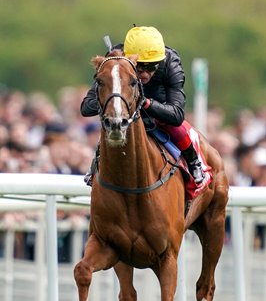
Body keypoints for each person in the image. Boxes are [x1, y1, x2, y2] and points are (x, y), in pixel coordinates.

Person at [81, 26, 204, 186]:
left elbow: (177, 115)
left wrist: (145, 102)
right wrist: (115, 95)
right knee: (111, 122)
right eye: (139, 67)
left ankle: (193, 161)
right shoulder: (115, 60)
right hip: (125, 112)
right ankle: (97, 164)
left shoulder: (170, 62)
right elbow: (86, 107)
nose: (145, 74)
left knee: (176, 126)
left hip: (159, 113)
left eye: (151, 67)